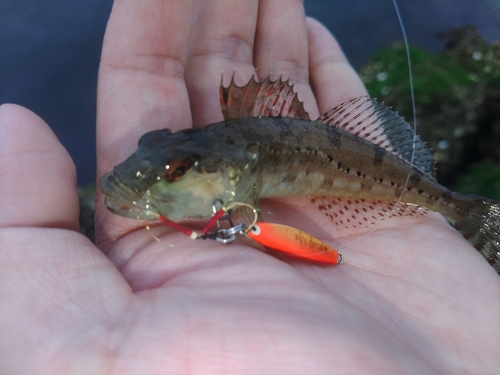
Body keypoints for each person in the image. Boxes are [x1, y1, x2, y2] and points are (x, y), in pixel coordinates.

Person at [1, 1, 498, 373]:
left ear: (235, 174)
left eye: (175, 170)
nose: (145, 179)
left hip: (366, 174)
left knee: (446, 202)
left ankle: (464, 211)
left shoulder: (241, 177)